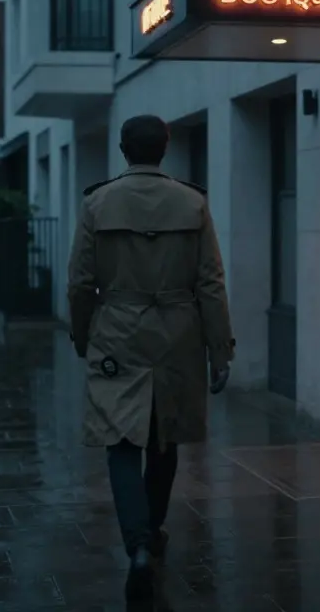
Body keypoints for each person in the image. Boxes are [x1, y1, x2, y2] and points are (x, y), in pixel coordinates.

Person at [67, 114, 234, 601]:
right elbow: (210, 282)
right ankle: (152, 530)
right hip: (178, 333)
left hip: (118, 329)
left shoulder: (98, 202)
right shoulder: (192, 201)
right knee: (165, 436)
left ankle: (137, 543)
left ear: (123, 150)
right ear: (165, 148)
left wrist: (83, 336)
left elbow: (80, 282)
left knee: (120, 440)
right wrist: (219, 350)